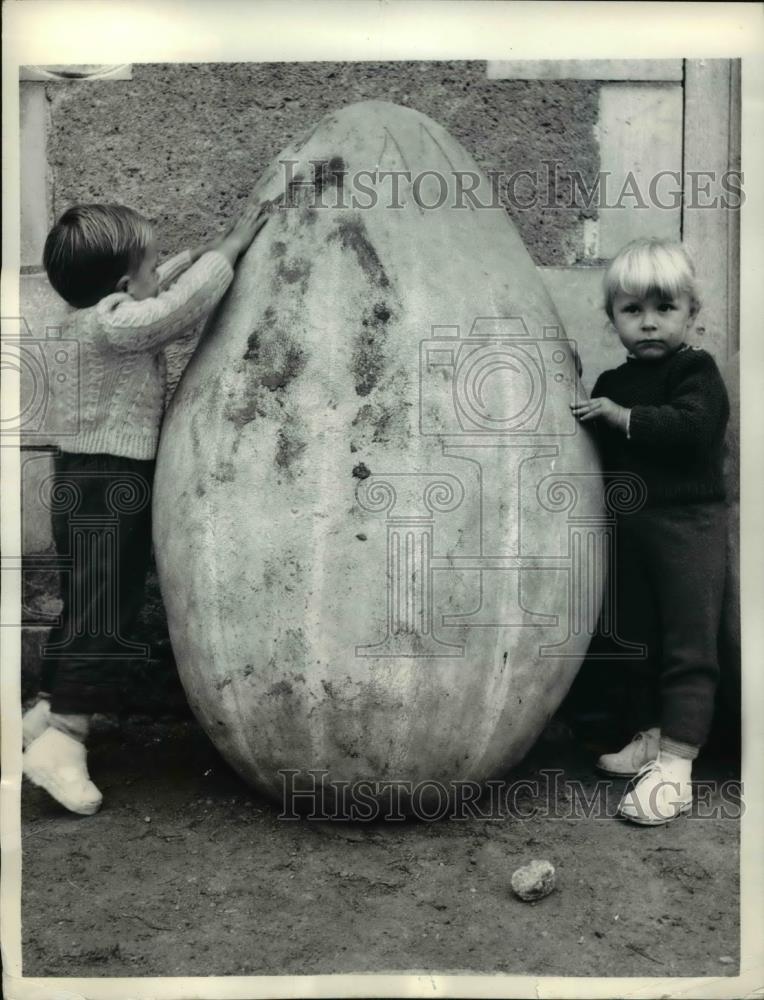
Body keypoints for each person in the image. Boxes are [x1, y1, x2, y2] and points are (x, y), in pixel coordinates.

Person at [22, 201, 267, 815]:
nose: (163, 271)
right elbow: (172, 312)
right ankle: (66, 741)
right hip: (111, 483)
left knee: (86, 598)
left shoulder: (86, 316)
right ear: (121, 287)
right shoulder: (117, 326)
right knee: (106, 609)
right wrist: (229, 250)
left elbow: (156, 294)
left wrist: (192, 254)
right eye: (153, 264)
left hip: (81, 478)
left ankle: (49, 711)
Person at [570, 237, 730, 826]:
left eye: (665, 309)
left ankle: (678, 768)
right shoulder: (613, 378)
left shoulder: (696, 371)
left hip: (688, 528)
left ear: (692, 313)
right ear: (611, 318)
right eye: (632, 311)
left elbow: (694, 428)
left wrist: (622, 417)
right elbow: (591, 446)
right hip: (630, 531)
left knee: (690, 646)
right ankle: (650, 737)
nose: (650, 323)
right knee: (634, 640)